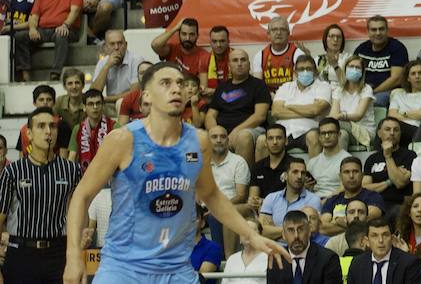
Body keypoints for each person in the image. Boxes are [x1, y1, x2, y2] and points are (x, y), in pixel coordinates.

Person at [63, 62, 289, 284]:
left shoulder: (198, 141)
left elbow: (211, 195)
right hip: (124, 267)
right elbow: (81, 195)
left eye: (180, 83)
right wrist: (73, 256)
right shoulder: (123, 139)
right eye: (165, 83)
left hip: (176, 268)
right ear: (146, 96)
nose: (176, 89)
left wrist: (251, 235)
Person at [0, 107, 83, 284]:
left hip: (59, 253)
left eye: (52, 126)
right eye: (41, 126)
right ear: (28, 133)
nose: (48, 131)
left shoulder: (72, 170)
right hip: (21, 253)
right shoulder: (12, 171)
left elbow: (79, 213)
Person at [265, 210, 342, 284]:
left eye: (300, 229)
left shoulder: (328, 259)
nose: (296, 236)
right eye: (291, 230)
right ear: (283, 235)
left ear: (309, 232)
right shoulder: (276, 259)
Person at [342, 217, 421, 284]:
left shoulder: (409, 263)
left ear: (392, 239)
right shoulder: (357, 263)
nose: (380, 240)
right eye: (374, 236)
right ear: (367, 241)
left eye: (385, 235)